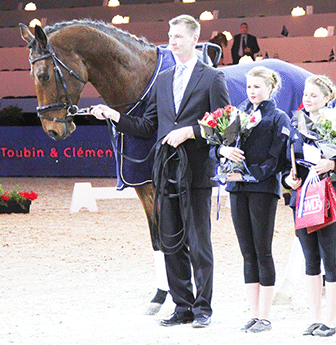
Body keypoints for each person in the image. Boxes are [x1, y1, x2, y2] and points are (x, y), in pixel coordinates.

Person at [88, 14, 230, 328]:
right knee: (171, 241)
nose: (171, 40)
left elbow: (224, 128)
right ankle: (182, 307)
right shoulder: (164, 79)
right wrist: (112, 115)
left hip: (195, 172)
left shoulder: (212, 78)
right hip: (165, 171)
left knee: (199, 241)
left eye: (178, 36)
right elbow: (147, 126)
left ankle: (203, 308)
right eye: (170, 34)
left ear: (194, 39)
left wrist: (191, 131)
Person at [283, 75, 336, 337]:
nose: (307, 99)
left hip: (330, 199)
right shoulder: (295, 125)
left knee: (330, 260)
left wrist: (333, 165)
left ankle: (330, 321)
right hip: (302, 199)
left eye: (314, 96)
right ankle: (315, 318)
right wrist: (288, 179)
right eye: (306, 95)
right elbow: (287, 163)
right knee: (310, 261)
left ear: (327, 98)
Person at [212, 66, 290, 332]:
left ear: (270, 88)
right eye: (249, 87)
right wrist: (223, 154)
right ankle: (254, 313)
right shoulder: (235, 115)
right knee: (247, 252)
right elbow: (217, 146)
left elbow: (277, 157)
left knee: (262, 250)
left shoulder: (278, 117)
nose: (252, 91)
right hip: (236, 189)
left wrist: (248, 175)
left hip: (262, 189)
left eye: (257, 86)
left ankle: (265, 315)